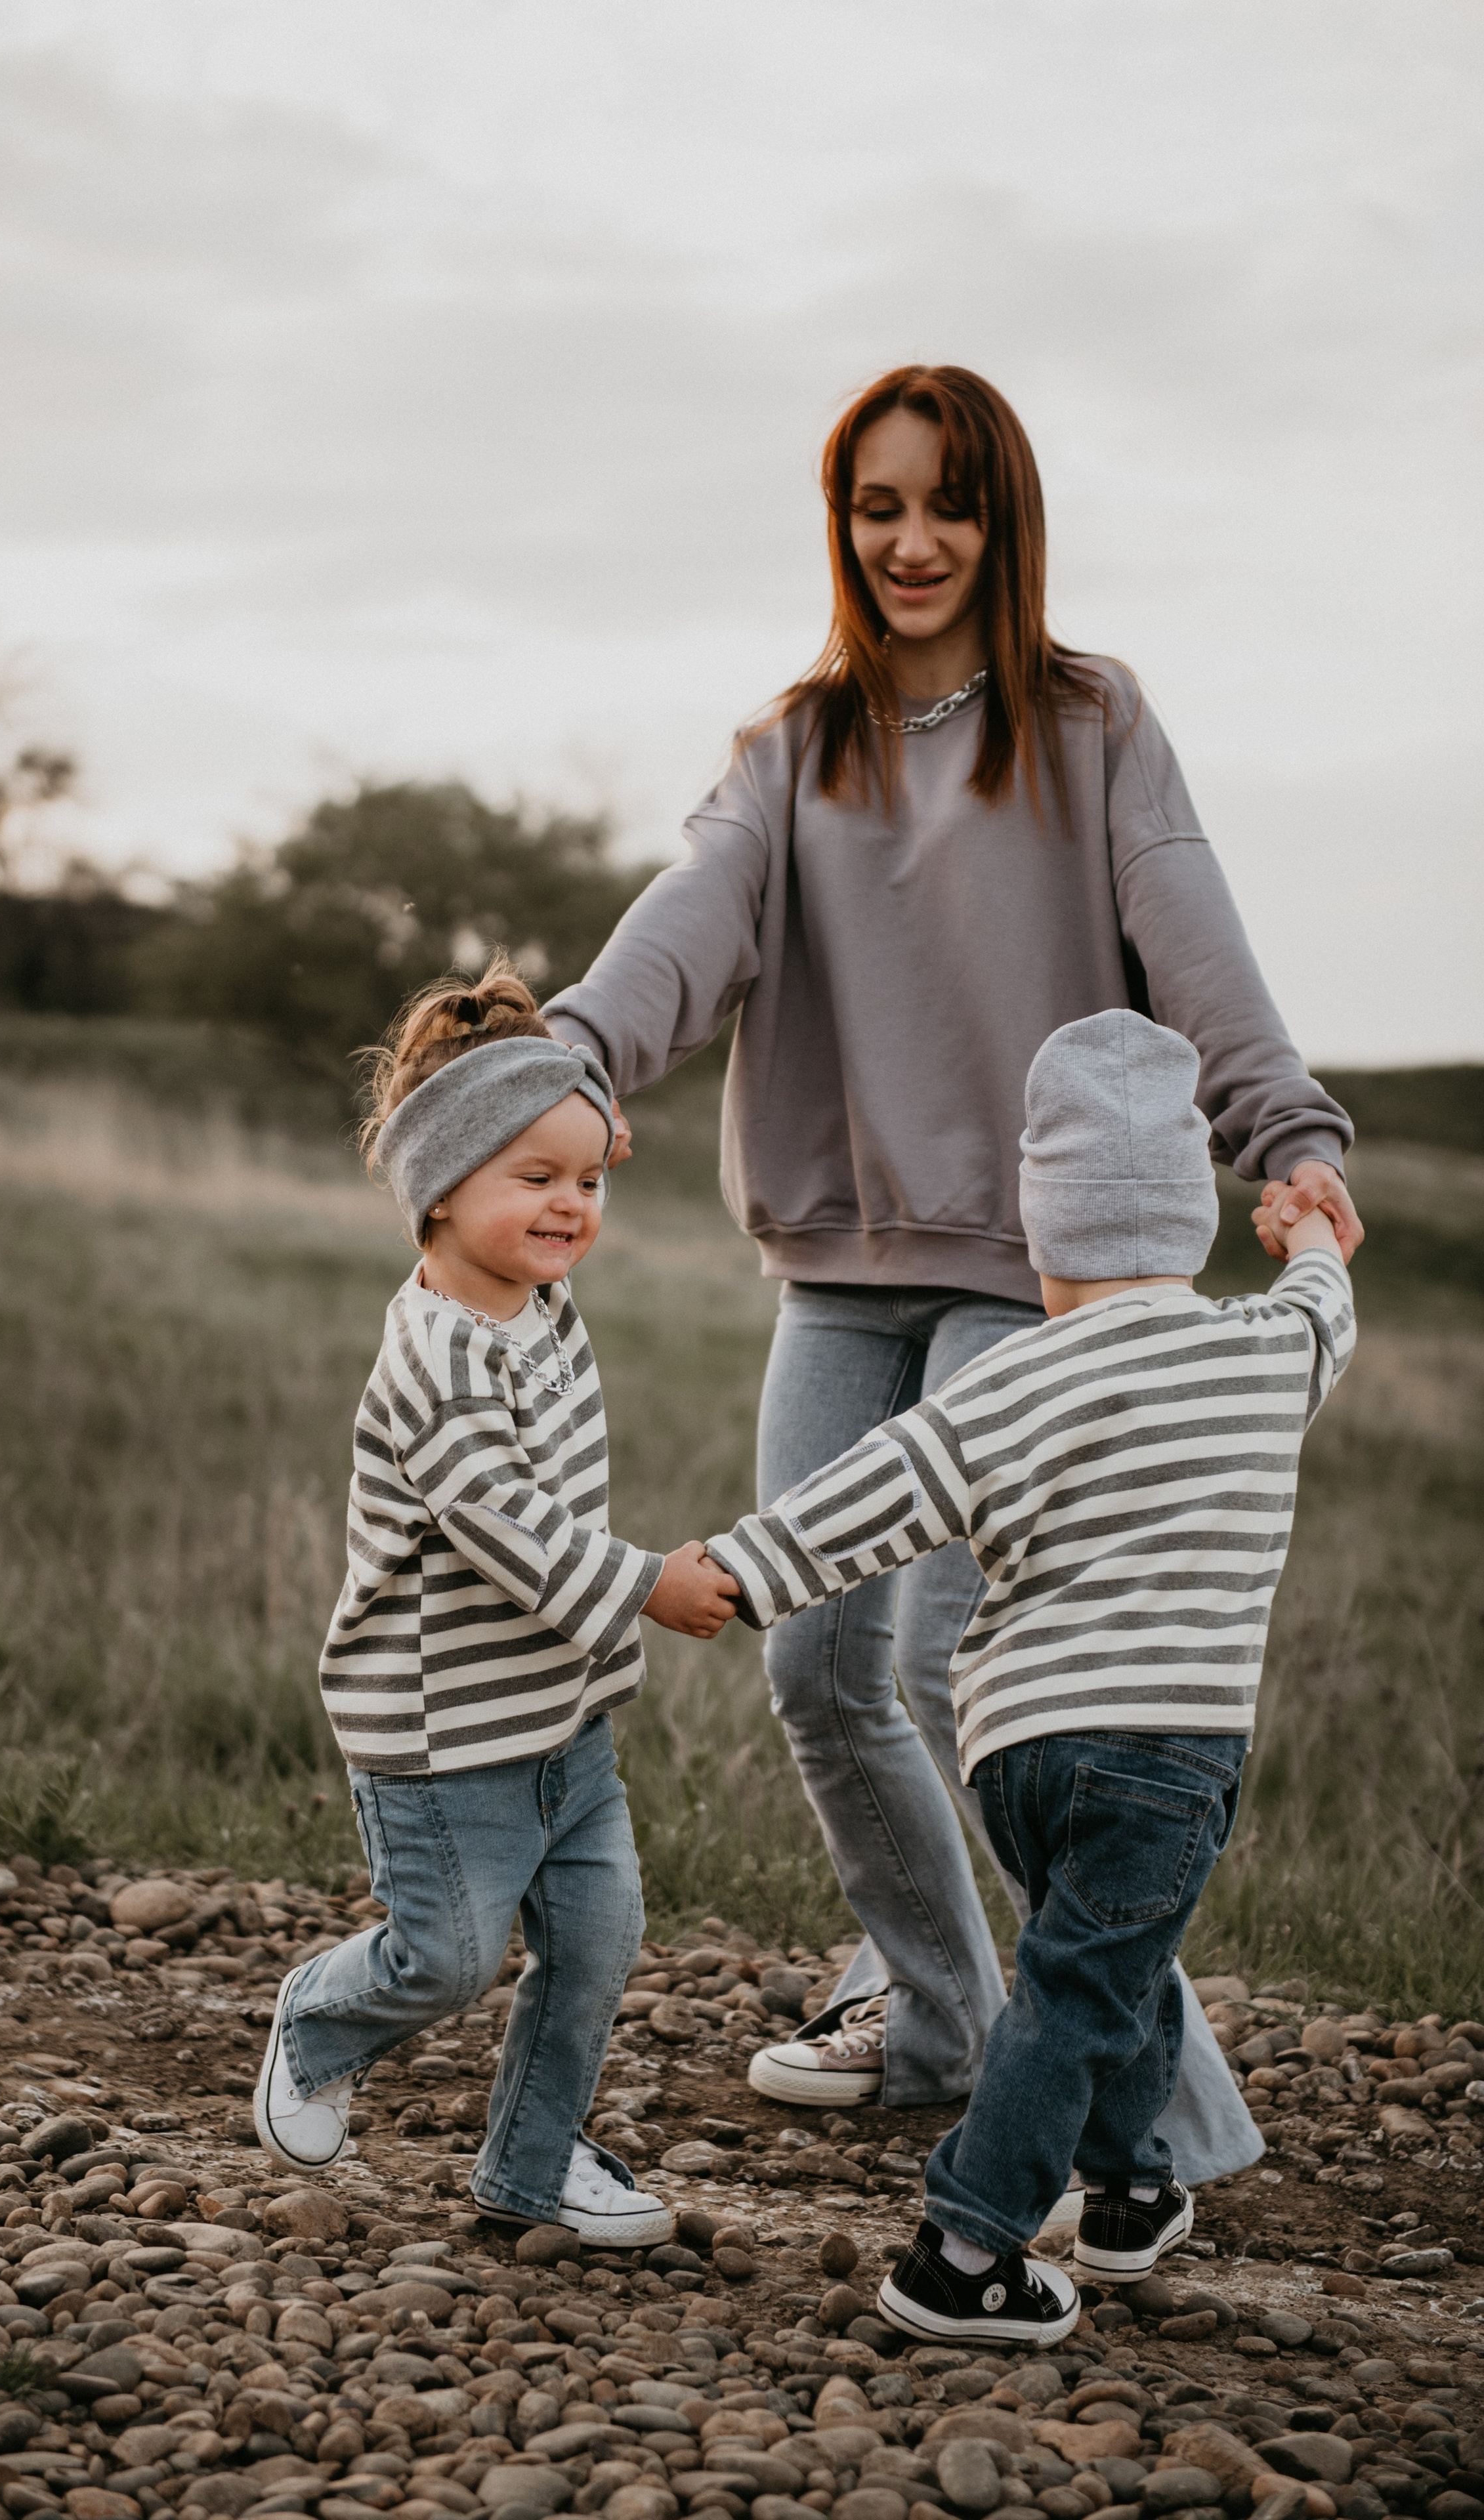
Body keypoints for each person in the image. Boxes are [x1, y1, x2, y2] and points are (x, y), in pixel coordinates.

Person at [545, 362, 1361, 2178]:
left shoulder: (1093, 725)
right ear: (841, 525)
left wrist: (1283, 1130)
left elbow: (1194, 930)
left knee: (953, 1674)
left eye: (948, 504)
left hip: (1040, 1273)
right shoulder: (792, 747)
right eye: (876, 506)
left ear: (1004, 518)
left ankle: (1164, 2120)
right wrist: (576, 1054)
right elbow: (689, 917)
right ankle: (938, 2024)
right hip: (838, 1266)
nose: (911, 542)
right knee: (821, 1665)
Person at [703, 1009, 1355, 2342]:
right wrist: (1308, 1242)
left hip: (1011, 1752)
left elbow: (862, 1500)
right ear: (1184, 1222)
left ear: (1042, 1238)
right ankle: (963, 2252)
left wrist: (729, 1574)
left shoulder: (1008, 1383)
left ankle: (1124, 2190)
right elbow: (1320, 1310)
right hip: (1165, 1756)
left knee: (1102, 1965)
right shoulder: (1258, 1352)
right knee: (1082, 1985)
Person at [251, 957, 738, 2244]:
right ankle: (316, 2024)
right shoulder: (437, 1361)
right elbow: (512, 1532)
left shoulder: (527, 1284)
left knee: (594, 1944)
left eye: (588, 1181)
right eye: (539, 1181)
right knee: (450, 1960)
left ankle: (531, 2164)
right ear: (439, 1189)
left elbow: (548, 1155)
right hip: (438, 1737)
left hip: (560, 1723)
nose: (573, 1206)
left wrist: (573, 1128)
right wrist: (650, 1585)